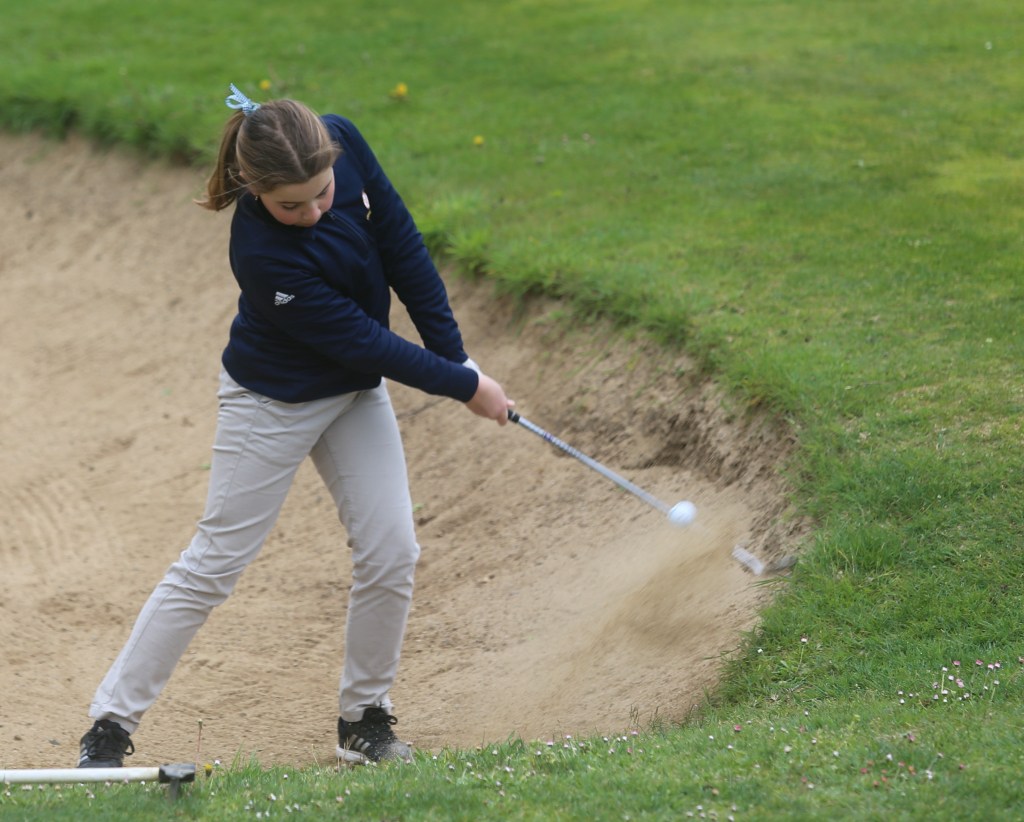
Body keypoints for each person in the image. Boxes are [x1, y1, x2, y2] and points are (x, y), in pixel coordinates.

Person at [76, 84, 513, 767]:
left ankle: (364, 719)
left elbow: (401, 244)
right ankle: (109, 726)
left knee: (392, 549)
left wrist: (456, 358)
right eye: (291, 206)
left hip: (352, 394)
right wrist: (465, 387)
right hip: (272, 403)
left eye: (323, 193)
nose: (313, 213)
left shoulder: (342, 138)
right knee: (215, 563)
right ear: (253, 188)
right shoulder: (262, 255)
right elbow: (364, 341)